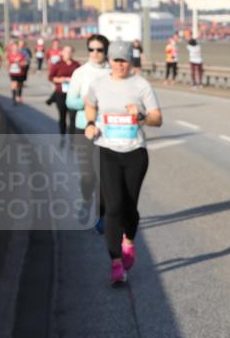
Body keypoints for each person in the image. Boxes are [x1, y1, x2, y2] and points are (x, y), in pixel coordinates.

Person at [83, 40, 162, 284]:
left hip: (135, 152)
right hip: (107, 150)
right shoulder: (99, 84)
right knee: (114, 207)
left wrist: (139, 115)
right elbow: (89, 104)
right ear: (109, 60)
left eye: (123, 60)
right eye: (115, 60)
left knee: (129, 207)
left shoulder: (141, 85)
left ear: (130, 61)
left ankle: (129, 240)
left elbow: (157, 119)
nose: (119, 64)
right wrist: (90, 124)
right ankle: (115, 262)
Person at [68, 33, 112, 234]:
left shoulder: (113, 71)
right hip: (83, 127)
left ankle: (100, 214)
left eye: (99, 50)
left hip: (107, 130)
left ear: (106, 51)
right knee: (87, 175)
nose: (95, 53)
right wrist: (87, 102)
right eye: (91, 49)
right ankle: (86, 200)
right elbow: (70, 102)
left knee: (103, 175)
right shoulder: (80, 72)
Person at [48, 45, 80, 135]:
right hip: (60, 93)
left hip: (73, 93)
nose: (68, 54)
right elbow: (51, 77)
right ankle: (62, 134)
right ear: (62, 53)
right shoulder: (58, 64)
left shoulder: (76, 65)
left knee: (73, 116)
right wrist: (60, 80)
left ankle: (72, 136)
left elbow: (81, 77)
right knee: (62, 115)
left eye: (70, 52)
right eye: (66, 51)